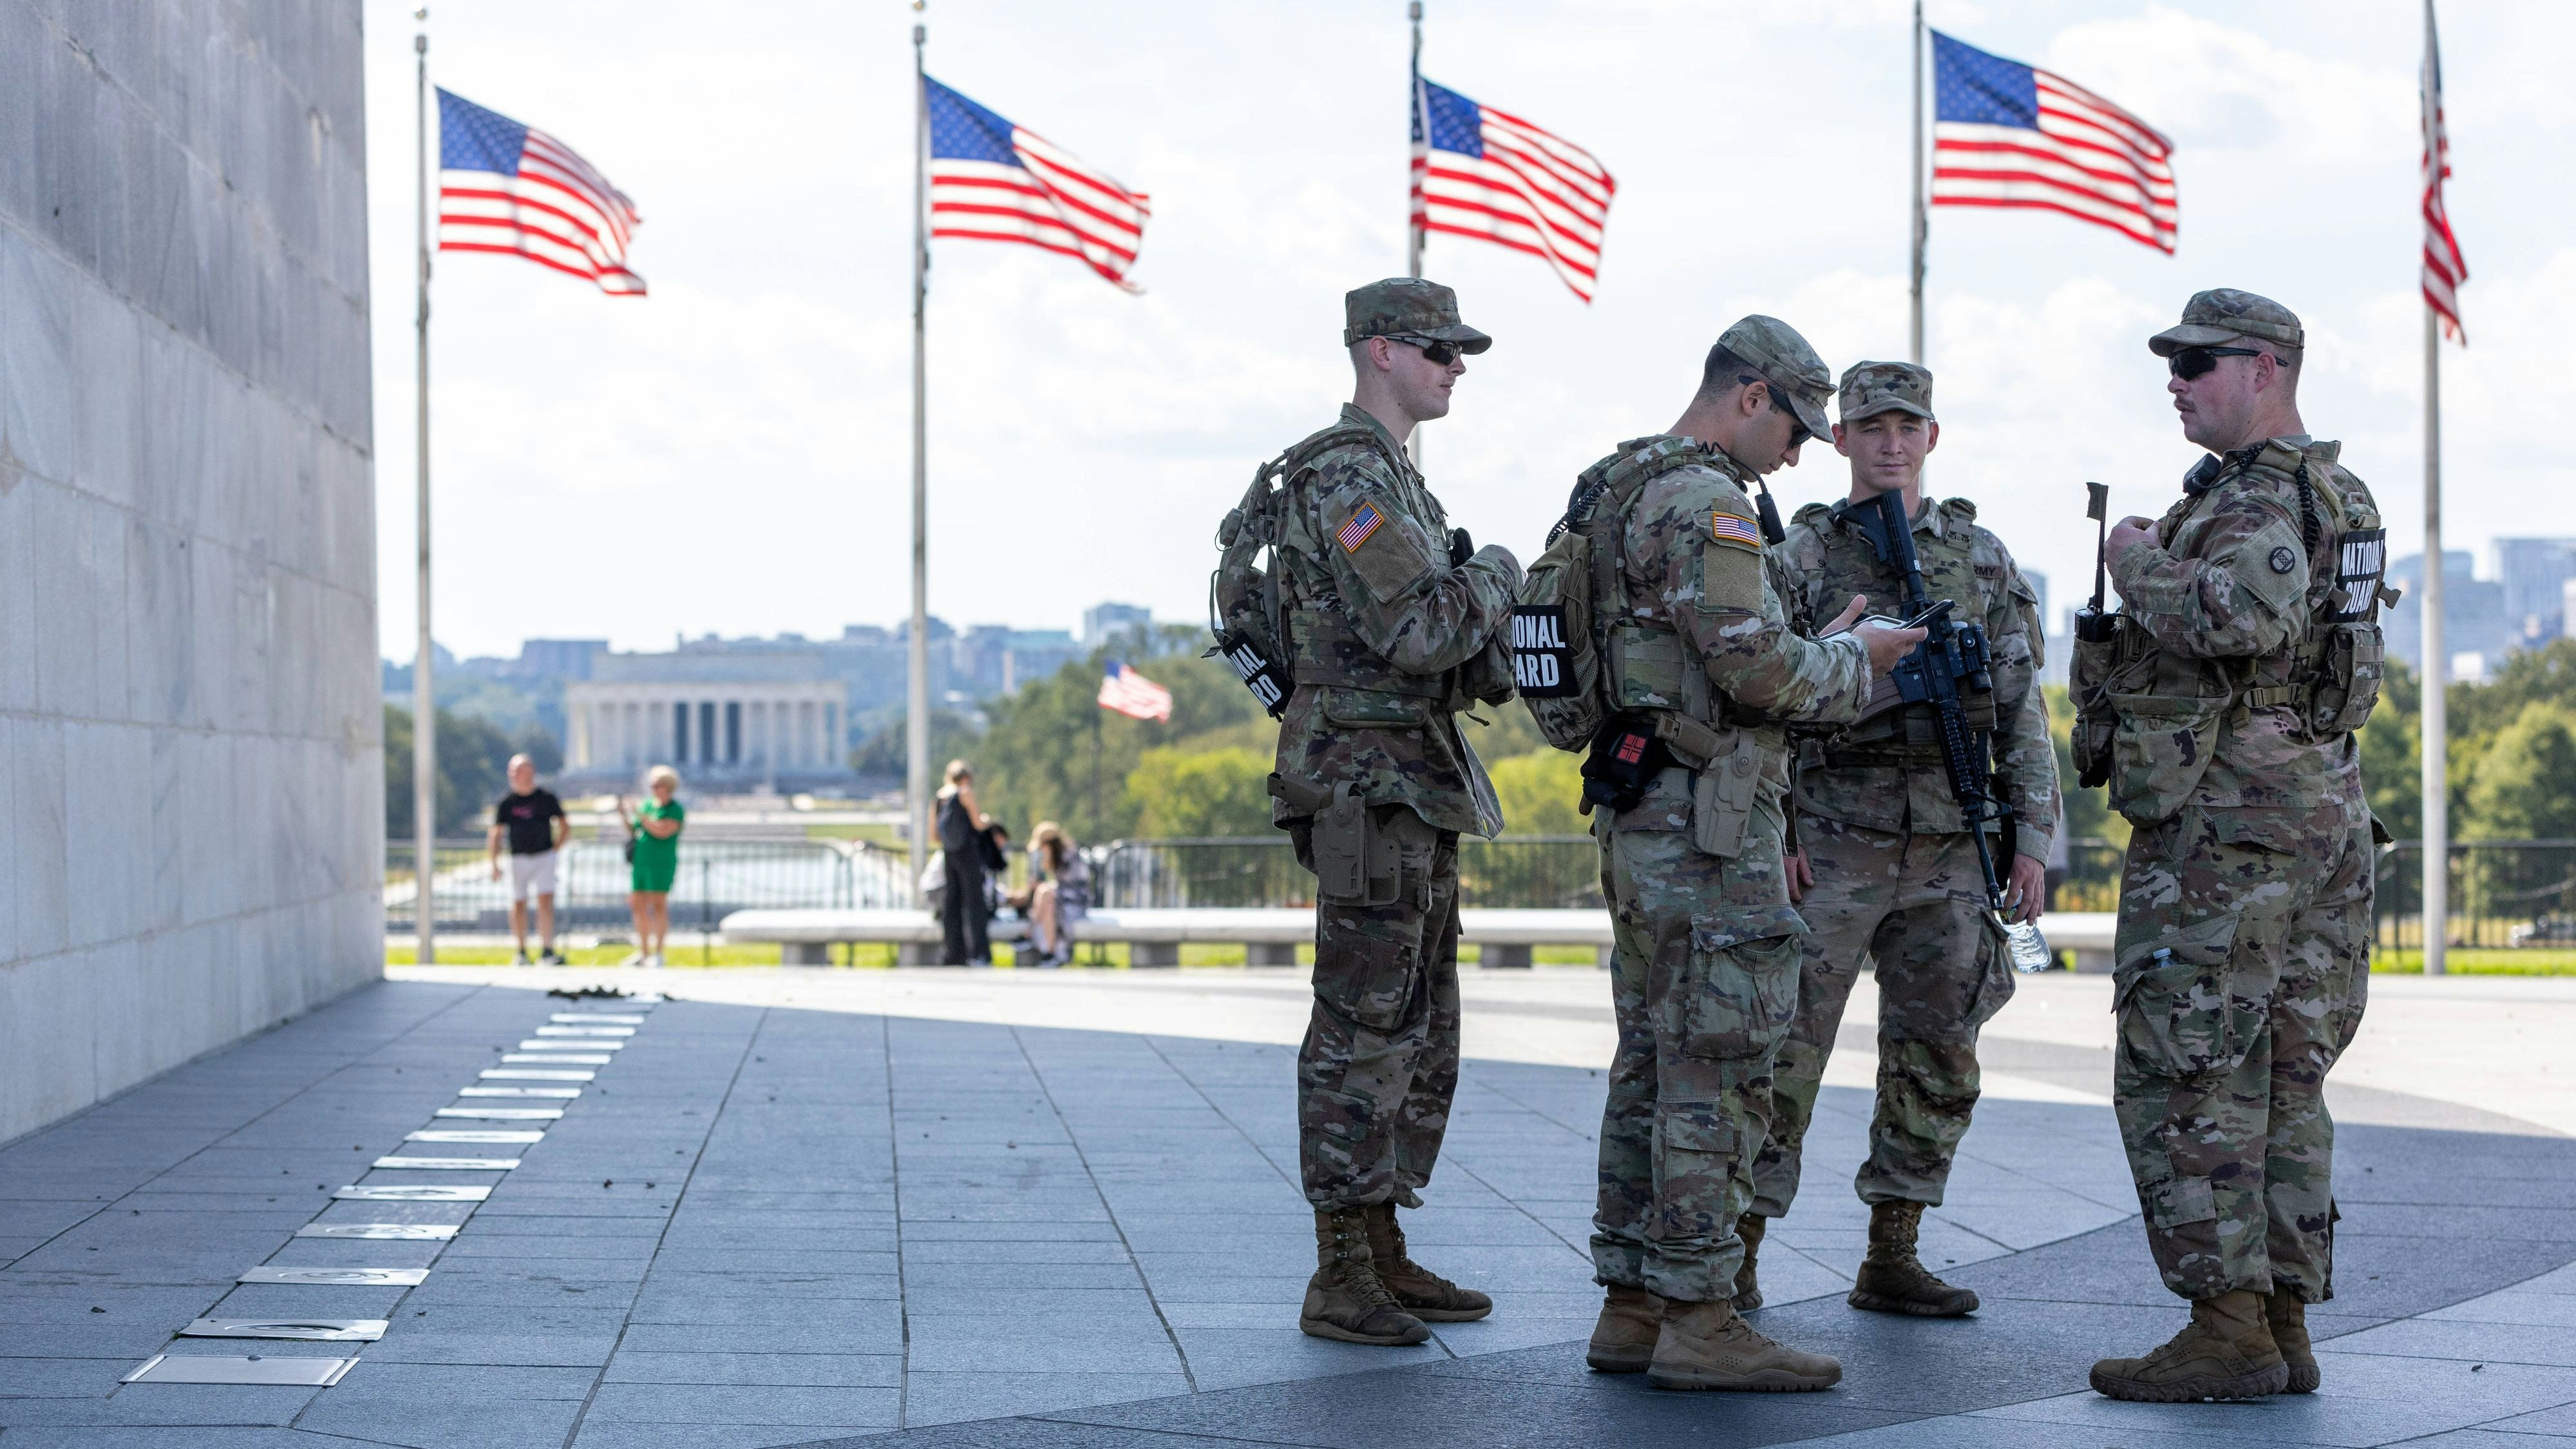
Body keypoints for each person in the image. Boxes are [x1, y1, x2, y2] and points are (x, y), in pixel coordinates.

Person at [1575, 317, 1923, 1394]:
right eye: (1798, 427)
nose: (1803, 452)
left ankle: (1634, 1303)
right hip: (1707, 819)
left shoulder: (1618, 481)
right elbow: (1757, 671)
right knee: (1719, 1059)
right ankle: (1700, 1314)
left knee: (1653, 1054)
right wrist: (1853, 660)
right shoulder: (1707, 500)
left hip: (1645, 805)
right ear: (1750, 395)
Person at [2083, 291, 2386, 1403]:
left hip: (2228, 836)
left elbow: (2240, 622)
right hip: (2317, 815)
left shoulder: (2260, 498)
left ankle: (2228, 1328)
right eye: (2171, 362)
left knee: (2191, 1069)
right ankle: (2281, 1322)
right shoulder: (2337, 493)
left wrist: (2134, 561)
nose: (2176, 379)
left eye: (2198, 362)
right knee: (2285, 1079)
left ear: (2267, 366)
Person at [1745, 361, 2057, 1320]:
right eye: (1870, 425)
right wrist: (1781, 826)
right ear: (1837, 439)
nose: (1890, 442)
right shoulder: (1801, 556)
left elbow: (2020, 706)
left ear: (1932, 437)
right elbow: (1760, 697)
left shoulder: (1981, 556)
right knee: (1782, 1051)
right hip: (1835, 830)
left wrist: (2032, 835)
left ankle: (1895, 1246)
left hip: (1952, 842)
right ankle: (1736, 1249)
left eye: (1907, 425)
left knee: (1939, 1048)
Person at [1258, 278, 1523, 1347]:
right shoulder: (1351, 477)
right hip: (1368, 786)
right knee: (1364, 1026)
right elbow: (1425, 626)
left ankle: (1379, 1247)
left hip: (1408, 780)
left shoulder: (1391, 478)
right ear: (1379, 353)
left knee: (1415, 1023)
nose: (1456, 369)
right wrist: (1501, 571)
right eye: (1439, 351)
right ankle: (1339, 1272)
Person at [487, 755, 569, 966]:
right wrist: (494, 863)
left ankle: (547, 950)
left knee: (545, 901)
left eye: (517, 771)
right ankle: (521, 950)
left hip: (543, 856)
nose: (513, 775)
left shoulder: (546, 798)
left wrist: (554, 850)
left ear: (530, 772)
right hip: (518, 858)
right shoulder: (507, 802)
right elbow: (496, 833)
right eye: (511, 771)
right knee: (518, 902)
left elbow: (564, 825)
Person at [616, 766, 685, 969]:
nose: (654, 789)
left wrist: (642, 816)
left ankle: (659, 953)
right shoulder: (648, 805)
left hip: (661, 863)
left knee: (658, 904)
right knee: (638, 904)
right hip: (641, 861)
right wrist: (624, 815)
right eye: (652, 785)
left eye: (658, 785)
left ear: (668, 787)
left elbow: (662, 831)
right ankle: (643, 952)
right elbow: (634, 829)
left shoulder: (675, 809)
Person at [935, 761, 993, 966]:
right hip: (968, 852)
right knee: (974, 903)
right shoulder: (964, 792)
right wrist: (988, 820)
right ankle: (979, 953)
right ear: (966, 777)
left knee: (952, 903)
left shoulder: (939, 796)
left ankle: (954, 952)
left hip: (949, 853)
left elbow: (934, 836)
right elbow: (978, 823)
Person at [1018, 821, 1090, 967]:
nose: (1042, 851)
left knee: (1045, 893)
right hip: (1065, 899)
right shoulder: (1060, 857)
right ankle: (1051, 953)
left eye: (1043, 847)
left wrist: (1046, 888)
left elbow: (1073, 887)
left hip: (1076, 902)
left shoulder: (1070, 855)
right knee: (1048, 905)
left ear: (1049, 844)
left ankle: (1029, 934)